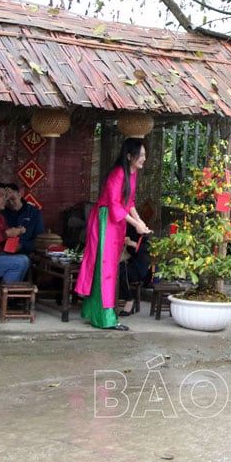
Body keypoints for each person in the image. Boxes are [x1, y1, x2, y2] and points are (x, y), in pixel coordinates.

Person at [74, 138, 151, 331]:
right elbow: (115, 205)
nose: (144, 158)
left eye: (144, 154)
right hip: (105, 220)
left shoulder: (132, 174)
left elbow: (129, 201)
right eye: (140, 155)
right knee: (105, 268)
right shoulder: (117, 174)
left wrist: (140, 221)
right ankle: (105, 318)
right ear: (129, 156)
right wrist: (135, 224)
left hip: (116, 222)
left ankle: (95, 312)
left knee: (108, 268)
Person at [117, 225, 152, 316]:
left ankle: (129, 299)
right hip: (131, 266)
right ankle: (122, 297)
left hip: (142, 270)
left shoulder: (146, 237)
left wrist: (132, 243)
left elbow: (147, 250)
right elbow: (128, 253)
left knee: (121, 271)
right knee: (117, 270)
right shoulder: (131, 233)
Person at [3, 182, 44, 255]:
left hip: (27, 253)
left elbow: (39, 238)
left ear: (19, 195)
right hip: (4, 252)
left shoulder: (34, 213)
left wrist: (22, 245)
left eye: (13, 199)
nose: (11, 203)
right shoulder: (1, 213)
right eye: (7, 201)